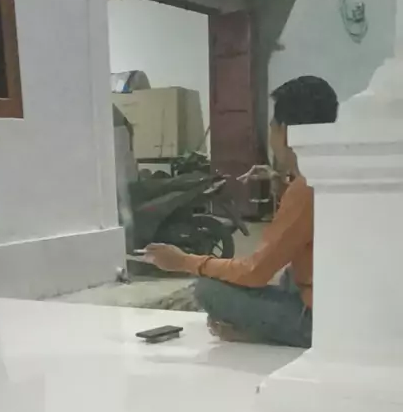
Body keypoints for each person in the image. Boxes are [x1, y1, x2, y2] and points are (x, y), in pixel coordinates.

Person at [145, 76, 338, 348]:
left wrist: (184, 261)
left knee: (208, 289)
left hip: (319, 321)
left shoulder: (305, 188)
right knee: (289, 274)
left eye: (272, 126)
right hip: (341, 303)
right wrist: (280, 183)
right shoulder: (332, 175)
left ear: (284, 131)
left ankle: (266, 334)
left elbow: (255, 271)